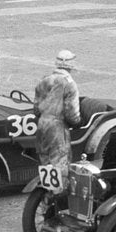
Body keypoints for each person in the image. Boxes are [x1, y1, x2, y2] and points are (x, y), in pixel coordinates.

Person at [33, 50, 81, 192]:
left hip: (42, 125)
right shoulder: (69, 84)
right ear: (70, 66)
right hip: (57, 127)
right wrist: (78, 122)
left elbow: (35, 108)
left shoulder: (44, 80)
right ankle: (58, 199)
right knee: (59, 164)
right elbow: (71, 114)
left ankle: (46, 195)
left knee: (45, 162)